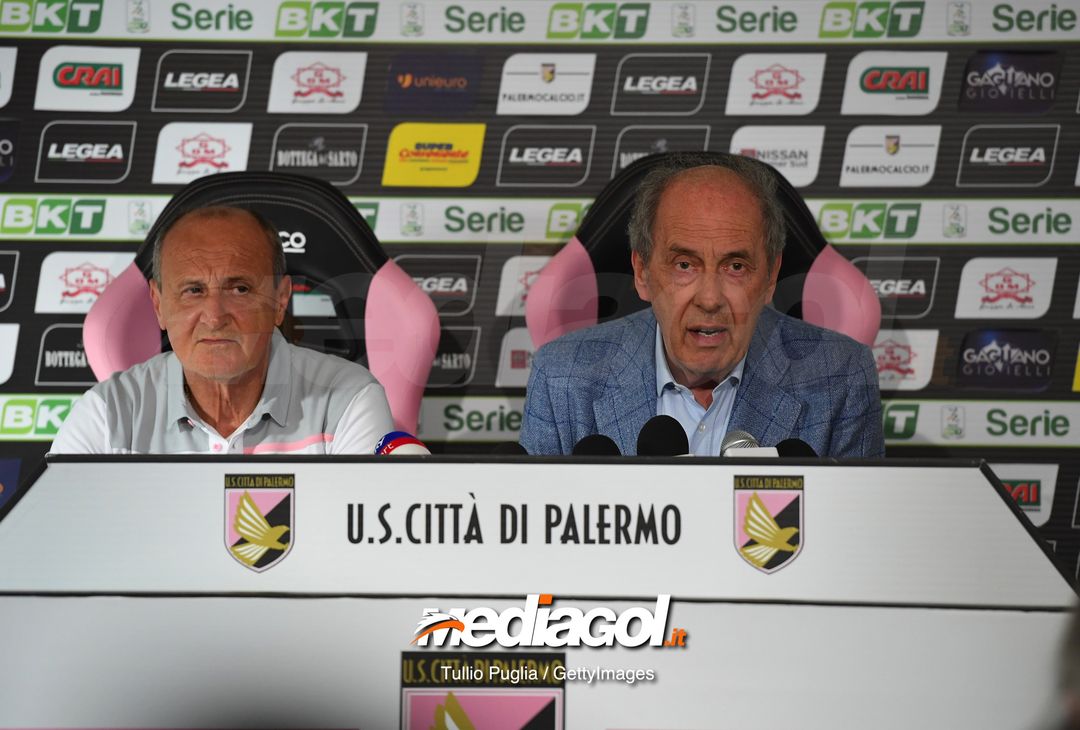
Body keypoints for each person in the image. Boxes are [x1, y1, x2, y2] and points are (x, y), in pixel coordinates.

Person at [520, 153, 884, 457]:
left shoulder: (841, 378)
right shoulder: (563, 378)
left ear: (771, 277)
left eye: (736, 267)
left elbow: (854, 536)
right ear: (642, 271)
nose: (710, 299)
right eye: (684, 265)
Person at [51, 205, 394, 455]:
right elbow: (58, 542)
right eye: (193, 291)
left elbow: (358, 551)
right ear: (158, 305)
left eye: (239, 289)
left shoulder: (350, 399)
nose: (214, 317)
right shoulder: (107, 413)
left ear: (280, 299)